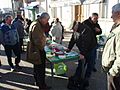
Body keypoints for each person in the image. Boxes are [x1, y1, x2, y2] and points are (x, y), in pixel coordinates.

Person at [67, 22, 96, 90]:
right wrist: (69, 48)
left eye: (73, 28)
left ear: (76, 26)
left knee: (90, 64)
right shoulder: (76, 30)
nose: (73, 30)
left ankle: (86, 79)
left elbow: (85, 43)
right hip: (83, 49)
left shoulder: (85, 30)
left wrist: (82, 54)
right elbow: (73, 39)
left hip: (90, 49)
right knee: (81, 64)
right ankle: (77, 77)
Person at [29, 12, 51, 90]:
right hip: (38, 50)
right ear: (43, 18)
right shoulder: (36, 25)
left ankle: (38, 82)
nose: (47, 22)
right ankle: (42, 86)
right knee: (40, 69)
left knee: (37, 68)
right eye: (47, 20)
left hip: (37, 50)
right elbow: (37, 41)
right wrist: (44, 48)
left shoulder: (36, 23)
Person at [102, 3, 120, 90]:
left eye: (112, 12)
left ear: (118, 13)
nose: (111, 16)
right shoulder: (116, 27)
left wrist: (113, 72)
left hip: (116, 73)